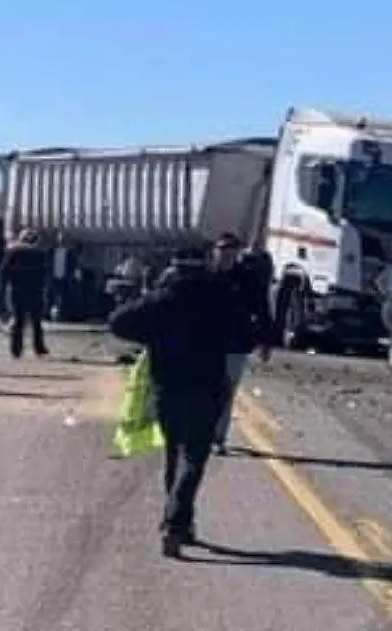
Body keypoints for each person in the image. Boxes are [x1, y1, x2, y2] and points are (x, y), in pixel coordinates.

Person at [108, 247, 247, 557]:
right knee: (194, 459)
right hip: (207, 386)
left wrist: (152, 335)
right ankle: (175, 522)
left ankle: (179, 521)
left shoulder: (162, 300)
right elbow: (242, 334)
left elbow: (118, 322)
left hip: (167, 388)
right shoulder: (220, 298)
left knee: (175, 453)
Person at [209, 233, 276, 456]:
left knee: (225, 391)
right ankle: (198, 433)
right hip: (204, 344)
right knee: (203, 391)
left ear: (237, 253)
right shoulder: (204, 278)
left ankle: (218, 437)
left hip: (235, 344)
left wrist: (266, 342)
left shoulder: (247, 279)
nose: (226, 255)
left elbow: (262, 310)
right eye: (222, 250)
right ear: (215, 251)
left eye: (231, 251)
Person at [0, 229, 50, 358]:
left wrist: (5, 285)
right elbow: (44, 273)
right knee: (36, 321)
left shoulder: (13, 252)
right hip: (35, 290)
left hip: (17, 289)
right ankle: (39, 347)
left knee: (18, 320)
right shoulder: (39, 253)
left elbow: (4, 271)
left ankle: (16, 349)